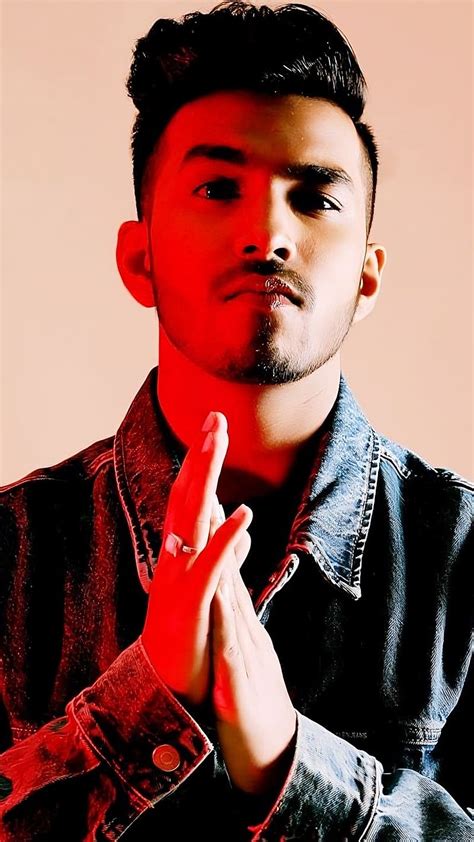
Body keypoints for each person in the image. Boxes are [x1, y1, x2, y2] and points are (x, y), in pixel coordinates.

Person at [0, 1, 472, 839]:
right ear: (140, 258)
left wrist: (291, 763)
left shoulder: (466, 557)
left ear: (368, 277)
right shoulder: (10, 552)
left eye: (315, 198)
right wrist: (144, 704)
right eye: (219, 188)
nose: (267, 232)